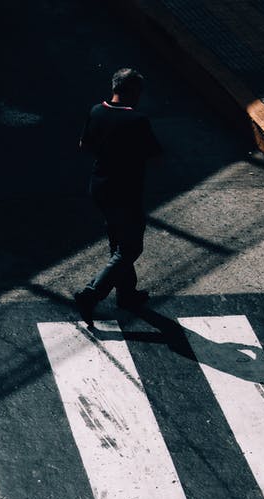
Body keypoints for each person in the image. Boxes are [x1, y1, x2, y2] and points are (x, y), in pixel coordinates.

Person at [74, 67, 162, 328]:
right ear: (133, 91)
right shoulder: (136, 120)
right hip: (126, 193)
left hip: (100, 187)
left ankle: (127, 294)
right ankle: (92, 294)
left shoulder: (97, 110)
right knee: (131, 248)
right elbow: (156, 158)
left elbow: (84, 145)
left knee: (118, 241)